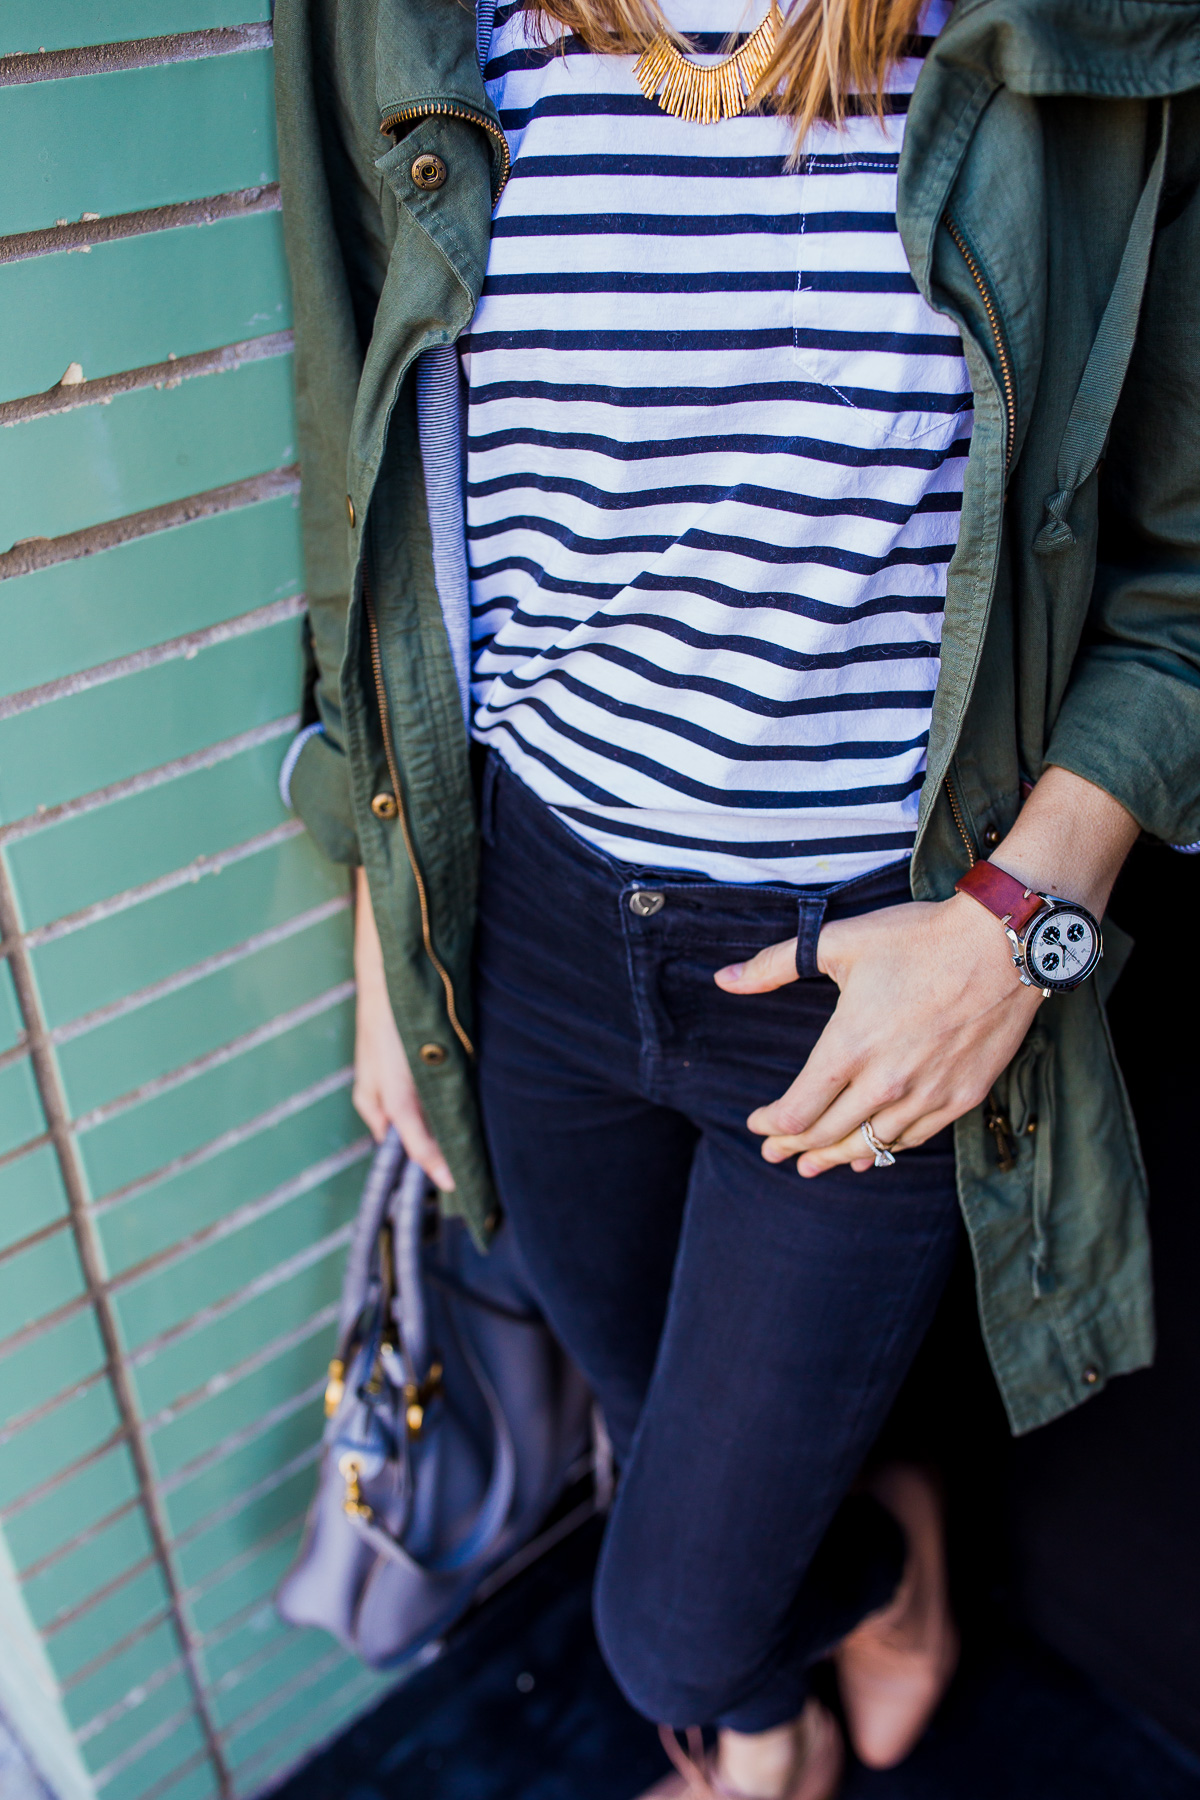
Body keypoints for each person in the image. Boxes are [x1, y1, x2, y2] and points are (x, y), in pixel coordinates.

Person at [272, 0, 1200, 1792]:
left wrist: (1018, 929)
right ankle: (770, 1745)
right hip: (528, 918)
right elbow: (362, 463)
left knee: (669, 1620)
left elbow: (1183, 563)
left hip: (873, 968)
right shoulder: (398, 20)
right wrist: (389, 932)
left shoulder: (1083, 27)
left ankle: (867, 1582)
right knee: (650, 1436)